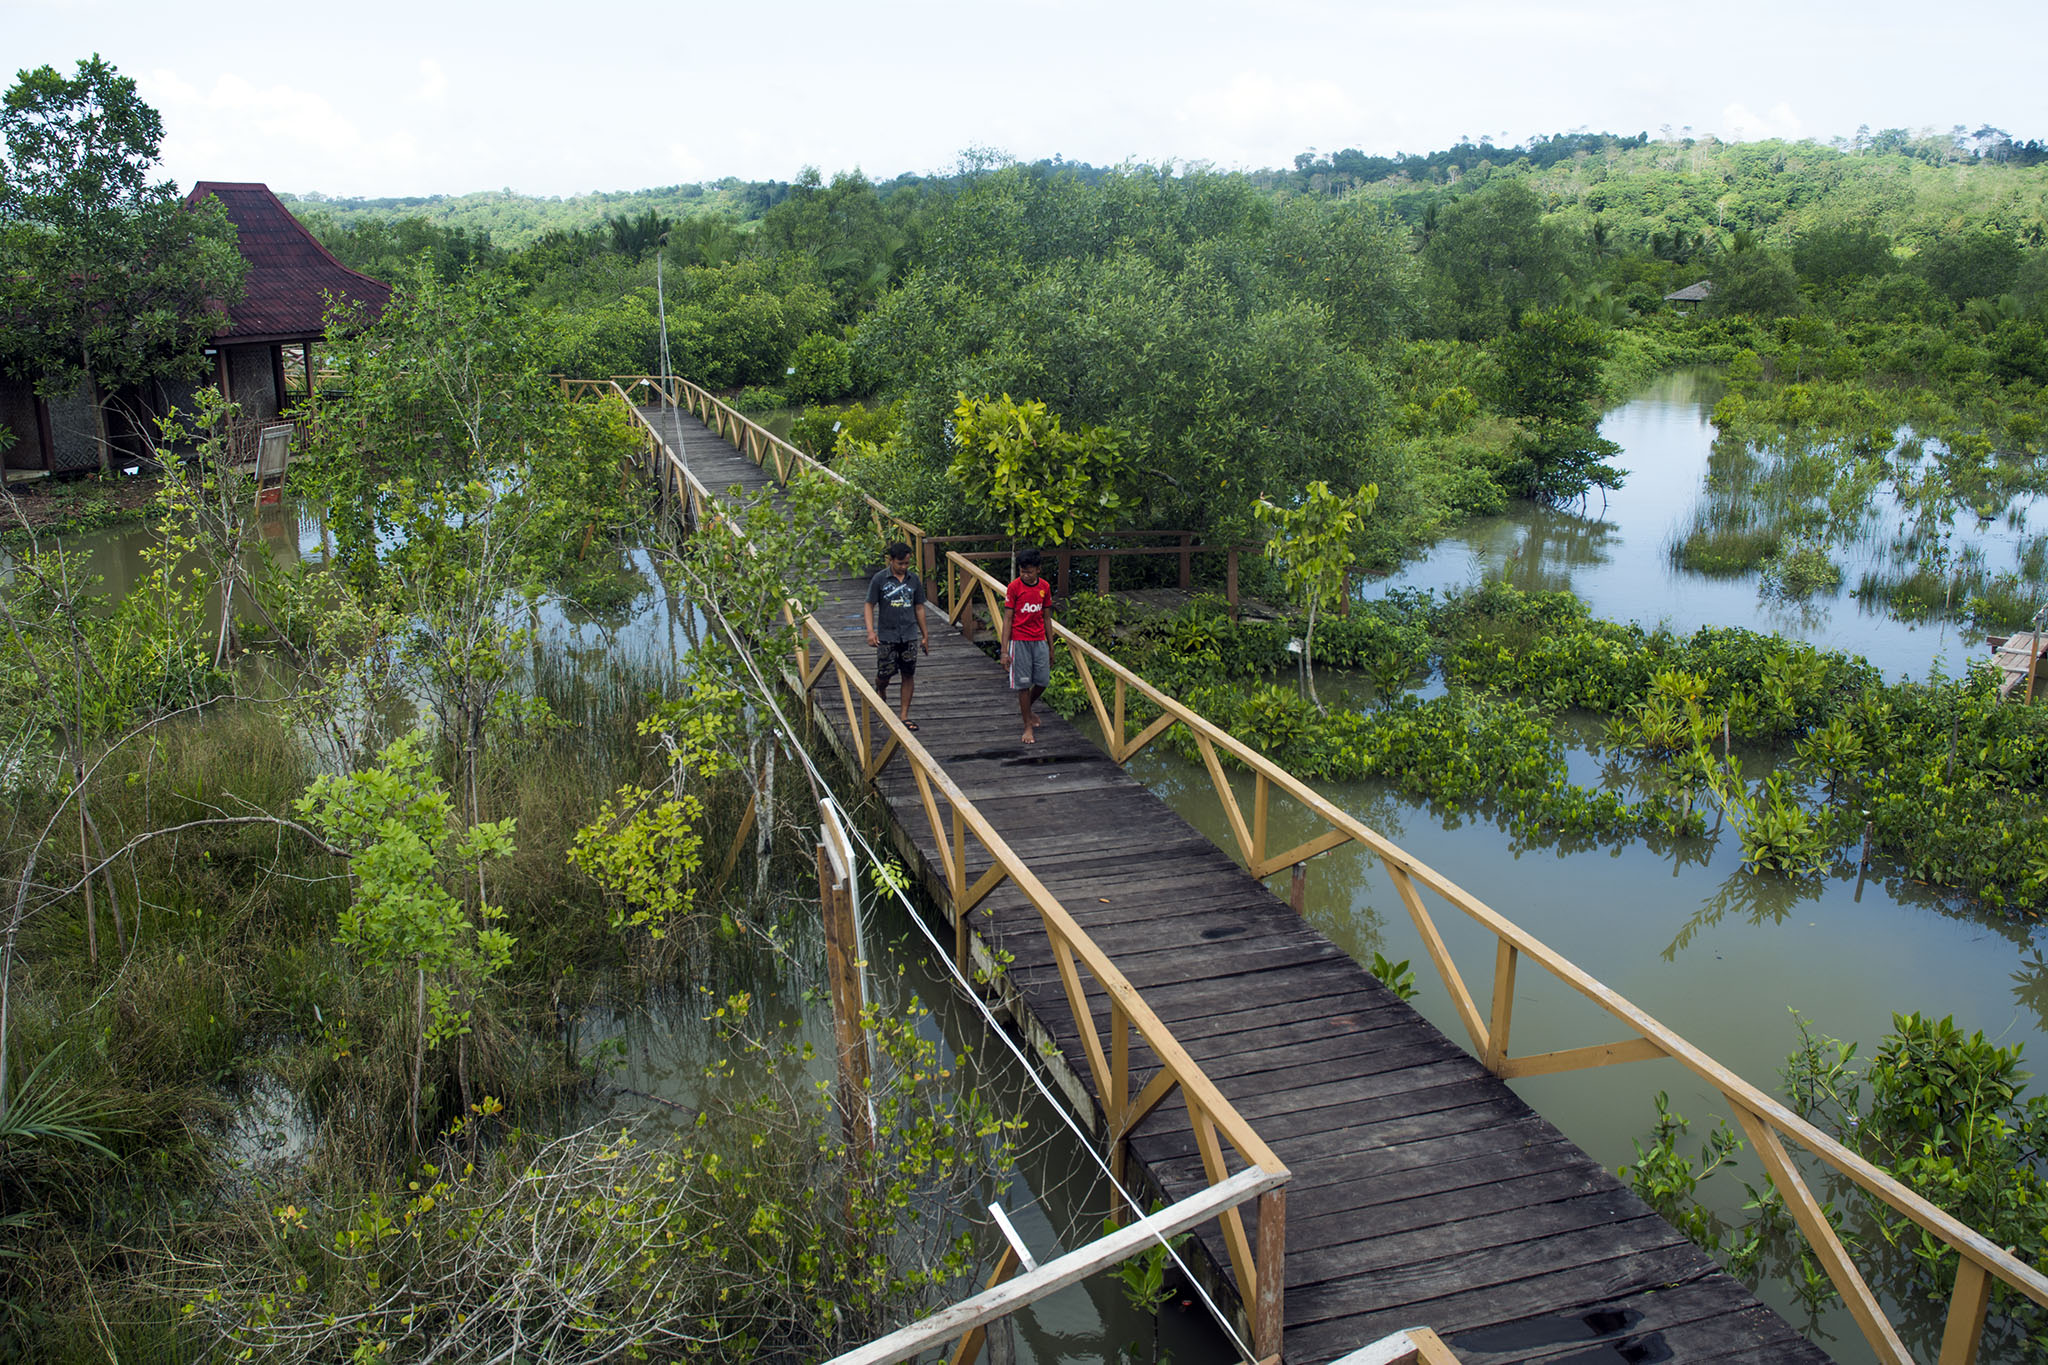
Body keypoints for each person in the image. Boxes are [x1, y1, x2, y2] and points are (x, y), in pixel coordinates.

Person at [864, 541, 930, 730]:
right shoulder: (879, 579)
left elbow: (919, 607)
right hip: (887, 634)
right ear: (891, 560)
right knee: (884, 674)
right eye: (900, 563)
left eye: (907, 564)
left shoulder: (913, 580)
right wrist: (870, 631)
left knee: (908, 673)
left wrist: (925, 635)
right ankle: (881, 688)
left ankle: (903, 715)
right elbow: (869, 604)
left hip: (908, 634)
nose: (903, 567)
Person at [1000, 547, 1054, 744]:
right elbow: (1007, 618)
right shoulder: (1014, 587)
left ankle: (1027, 708)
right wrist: (1004, 651)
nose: (1026, 575)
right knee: (1023, 684)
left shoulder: (1045, 587)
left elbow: (1047, 617)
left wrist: (1051, 645)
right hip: (1019, 639)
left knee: (1042, 680)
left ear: (1038, 570)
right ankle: (1027, 726)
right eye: (1023, 571)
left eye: (1029, 571)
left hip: (1039, 639)